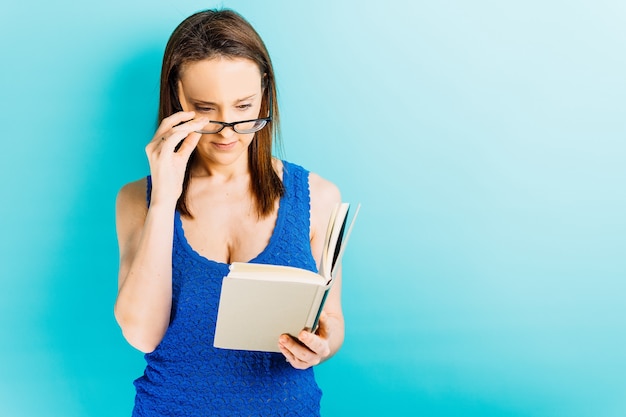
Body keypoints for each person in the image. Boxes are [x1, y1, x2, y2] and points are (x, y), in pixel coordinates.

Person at [113, 8, 345, 417]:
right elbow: (142, 335)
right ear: (178, 96)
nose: (227, 130)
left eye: (244, 106)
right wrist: (165, 198)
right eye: (205, 108)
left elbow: (332, 322)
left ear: (265, 93)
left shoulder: (318, 197)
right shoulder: (138, 199)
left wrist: (320, 347)